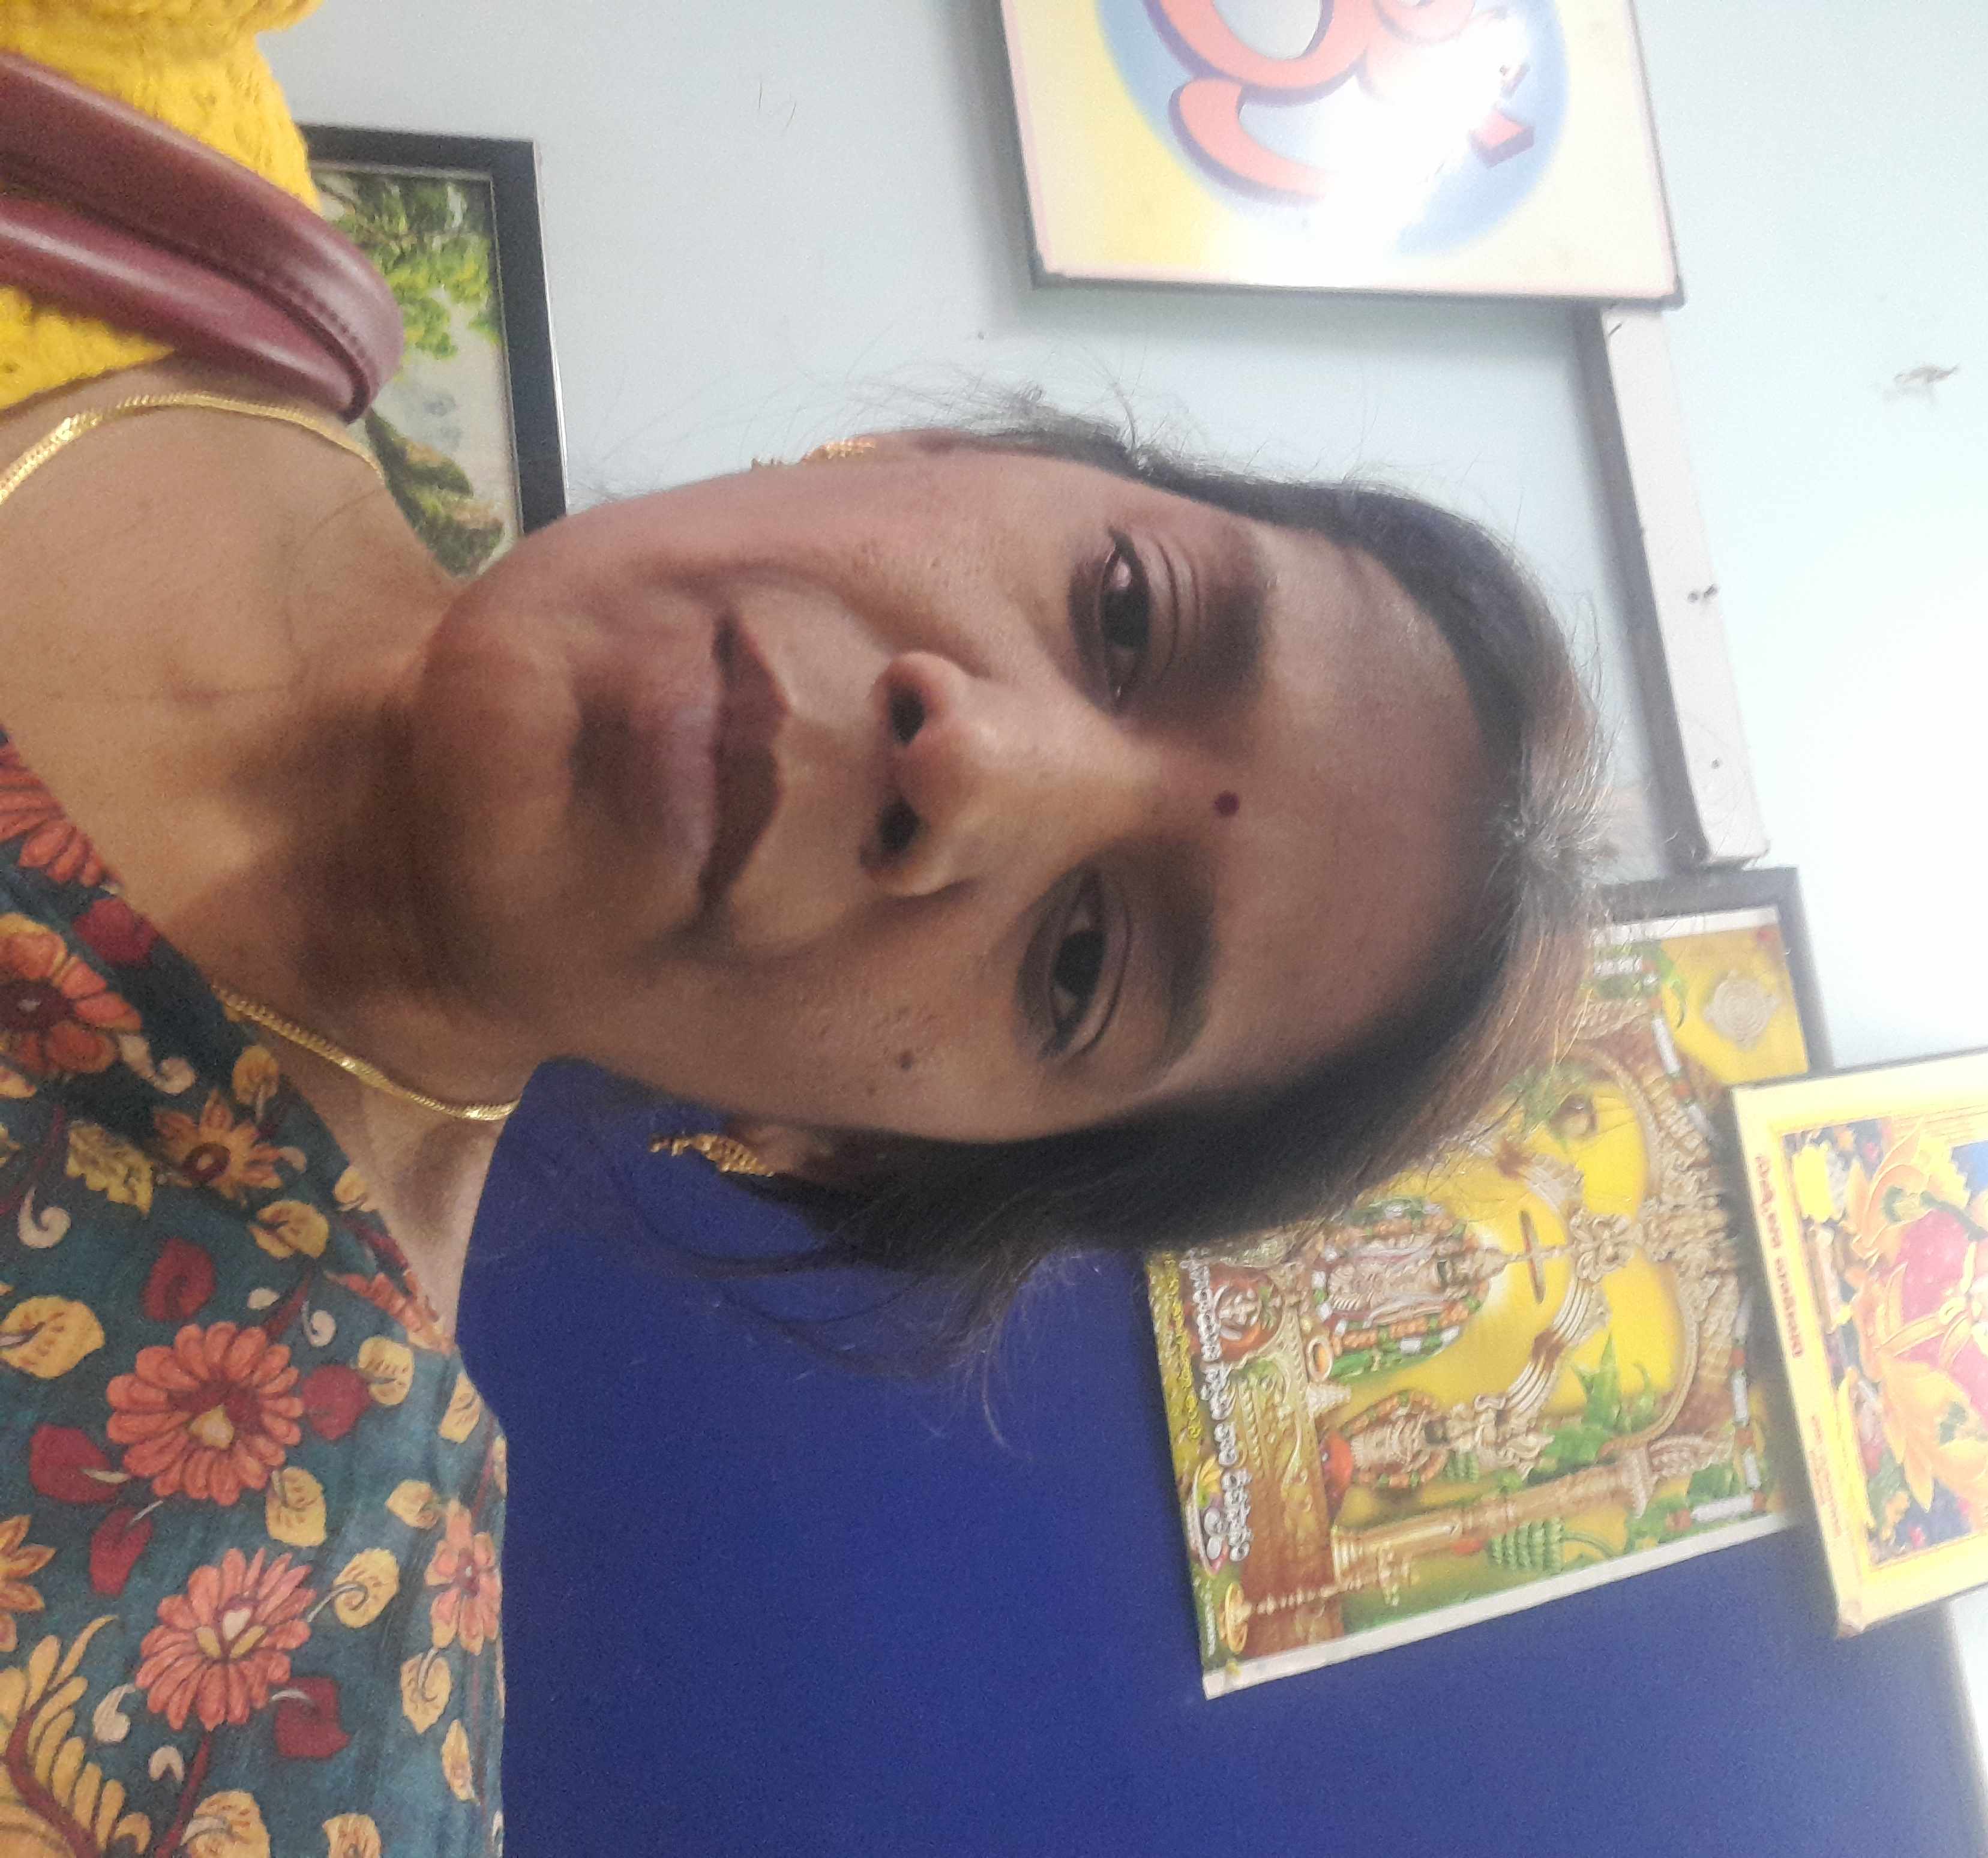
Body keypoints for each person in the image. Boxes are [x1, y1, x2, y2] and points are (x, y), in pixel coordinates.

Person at [0, 2, 1602, 1850]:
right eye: (1126, 613)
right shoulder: (133, 91)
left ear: (843, 1149)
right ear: (907, 448)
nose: (973, 763)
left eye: (1084, 965)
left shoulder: (244, 1672)